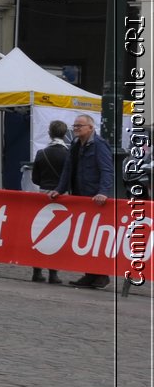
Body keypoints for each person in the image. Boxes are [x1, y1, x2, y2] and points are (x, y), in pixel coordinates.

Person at [50, 114, 114, 289]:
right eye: (75, 126)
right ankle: (89, 274)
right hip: (80, 196)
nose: (76, 128)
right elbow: (68, 168)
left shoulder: (99, 145)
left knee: (96, 237)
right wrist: (60, 189)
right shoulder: (75, 145)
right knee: (83, 237)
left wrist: (103, 192)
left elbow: (107, 170)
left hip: (95, 199)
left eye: (80, 126)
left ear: (90, 128)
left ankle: (101, 275)